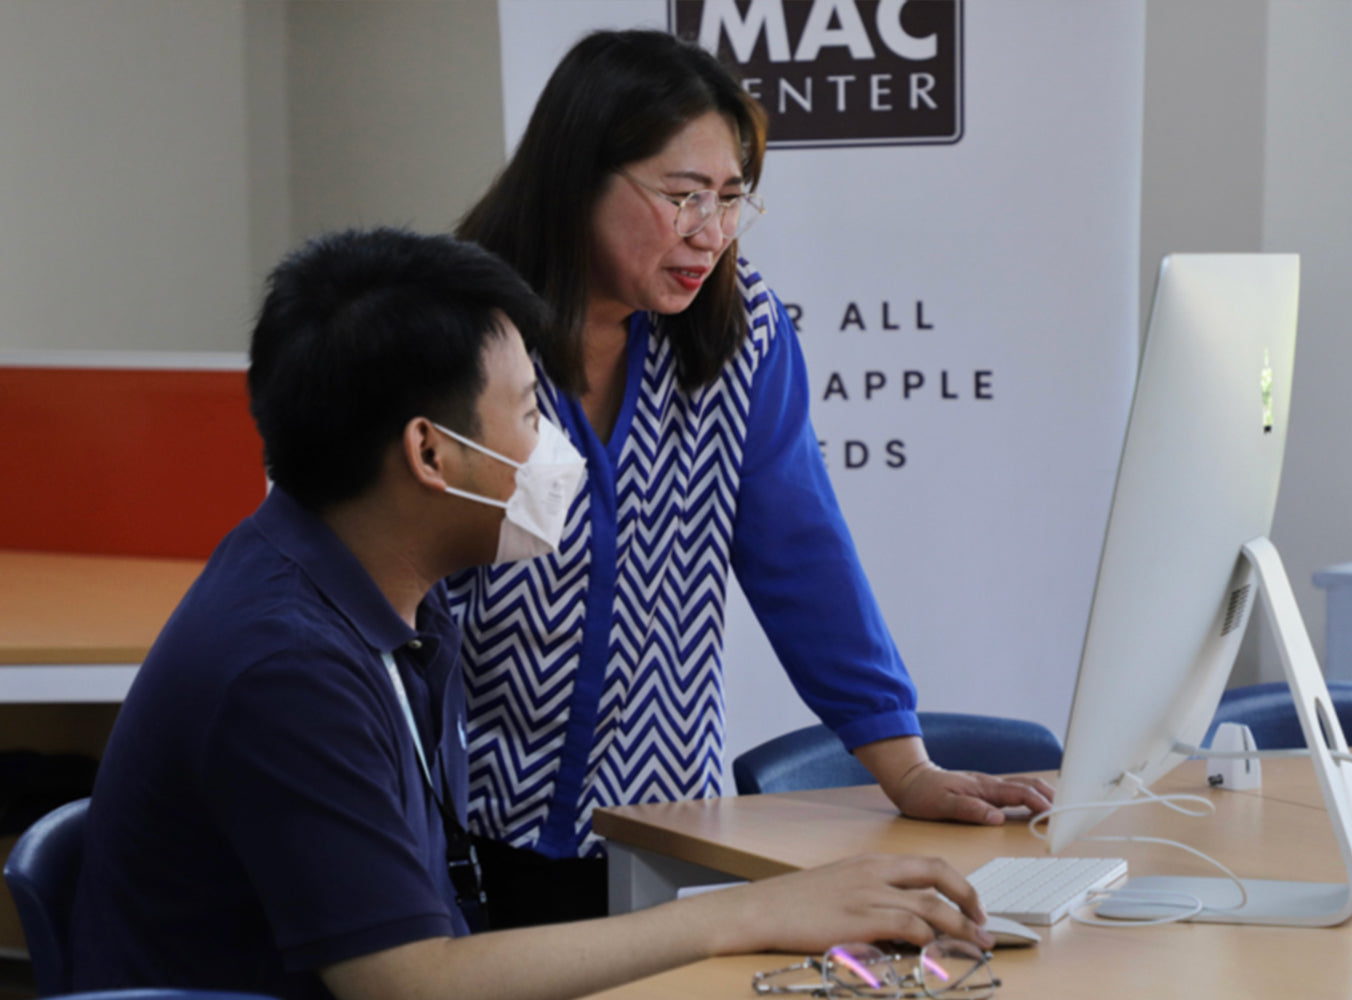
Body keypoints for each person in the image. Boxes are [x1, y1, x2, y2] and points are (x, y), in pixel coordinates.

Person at [69, 227, 994, 1000]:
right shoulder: (289, 666)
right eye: (526, 411)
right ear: (432, 455)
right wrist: (750, 910)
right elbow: (410, 983)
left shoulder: (341, 586)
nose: (560, 449)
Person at [449, 28, 1055, 928]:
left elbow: (800, 554)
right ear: (577, 177)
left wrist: (906, 765)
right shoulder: (460, 333)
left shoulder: (744, 332)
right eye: (683, 196)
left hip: (667, 832)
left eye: (732, 199)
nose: (711, 232)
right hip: (472, 826)